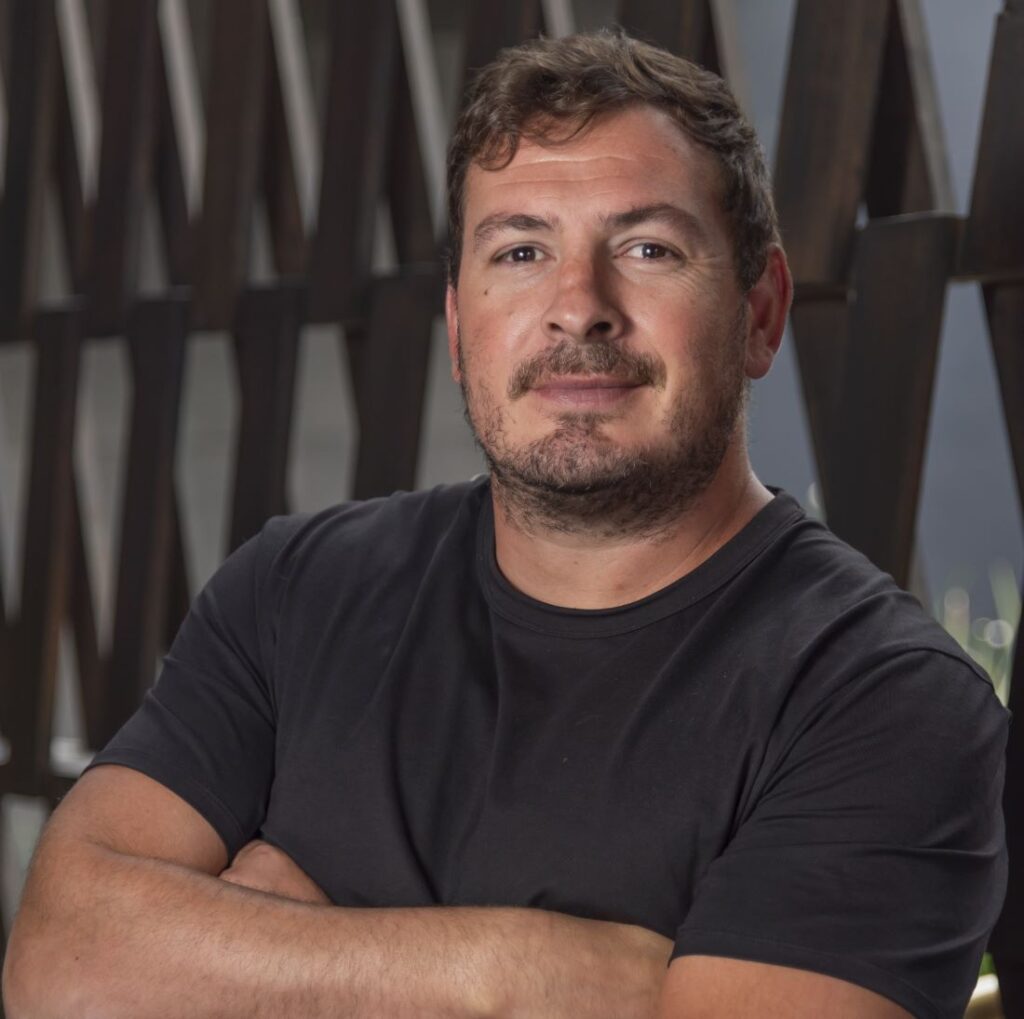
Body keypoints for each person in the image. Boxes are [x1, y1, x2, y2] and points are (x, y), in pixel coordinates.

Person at [3, 29, 1008, 1019]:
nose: (578, 307)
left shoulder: (880, 701)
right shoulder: (296, 589)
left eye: (647, 248)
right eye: (521, 250)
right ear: (457, 327)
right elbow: (61, 961)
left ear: (760, 312)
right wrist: (516, 973)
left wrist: (264, 952)